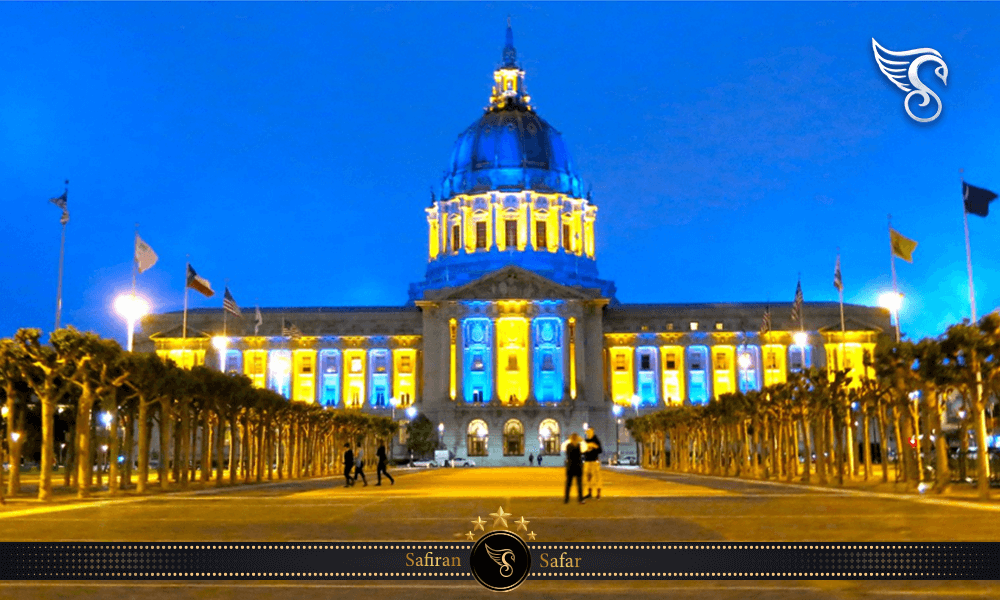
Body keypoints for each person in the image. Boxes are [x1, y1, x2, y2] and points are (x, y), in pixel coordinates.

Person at [564, 432, 585, 504]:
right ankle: (580, 499)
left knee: (568, 484)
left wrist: (570, 440)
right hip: (577, 466)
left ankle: (566, 499)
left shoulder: (568, 446)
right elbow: (584, 449)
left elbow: (565, 450)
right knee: (579, 484)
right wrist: (581, 440)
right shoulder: (579, 446)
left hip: (571, 466)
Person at [583, 427, 603, 500]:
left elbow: (600, 450)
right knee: (588, 477)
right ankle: (589, 493)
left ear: (593, 432)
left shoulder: (596, 440)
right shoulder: (586, 441)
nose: (589, 433)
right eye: (588, 432)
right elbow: (582, 451)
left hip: (595, 460)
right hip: (587, 461)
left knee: (597, 477)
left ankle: (598, 494)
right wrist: (586, 450)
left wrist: (595, 446)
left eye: (590, 432)